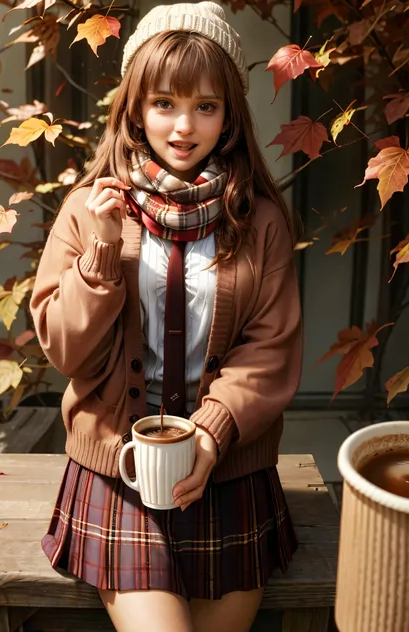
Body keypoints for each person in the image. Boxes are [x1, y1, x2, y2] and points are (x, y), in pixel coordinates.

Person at [30, 2, 303, 631]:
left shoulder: (259, 220)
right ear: (134, 107)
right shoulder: (88, 209)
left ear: (229, 113)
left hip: (228, 467)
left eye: (205, 106)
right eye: (164, 103)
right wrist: (101, 251)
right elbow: (66, 353)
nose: (184, 126)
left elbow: (271, 347)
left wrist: (209, 432)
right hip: (120, 468)